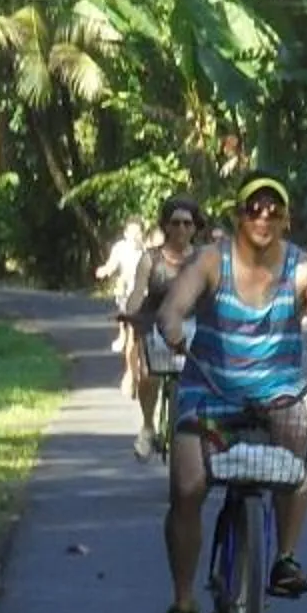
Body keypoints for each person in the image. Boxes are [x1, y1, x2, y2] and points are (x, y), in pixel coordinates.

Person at [144, 174, 307, 613]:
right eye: (253, 208)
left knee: (297, 449)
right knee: (188, 486)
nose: (263, 217)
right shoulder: (210, 261)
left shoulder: (305, 267)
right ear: (238, 215)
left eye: (273, 209)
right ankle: (183, 604)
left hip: (276, 394)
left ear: (286, 217)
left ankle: (285, 559)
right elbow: (175, 305)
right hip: (208, 389)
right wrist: (172, 325)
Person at [121, 196, 207, 459]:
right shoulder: (151, 258)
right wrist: (130, 314)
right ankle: (148, 426)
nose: (181, 229)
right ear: (165, 226)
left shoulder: (205, 258)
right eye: (175, 223)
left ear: (195, 227)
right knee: (150, 375)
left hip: (193, 324)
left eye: (187, 223)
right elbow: (137, 292)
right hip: (156, 322)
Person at [94, 217, 148, 398]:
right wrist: (105, 270)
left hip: (148, 297)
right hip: (128, 296)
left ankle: (147, 370)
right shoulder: (120, 248)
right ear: (125, 234)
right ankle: (131, 373)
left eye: (138, 232)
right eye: (131, 233)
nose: (134, 236)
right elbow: (112, 264)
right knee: (132, 335)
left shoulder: (148, 249)